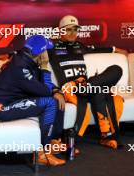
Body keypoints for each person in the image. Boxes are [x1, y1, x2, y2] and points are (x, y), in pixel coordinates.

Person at [0, 35, 66, 166]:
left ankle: (53, 143)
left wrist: (57, 91)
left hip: (13, 101)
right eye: (46, 50)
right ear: (39, 53)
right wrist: (46, 68)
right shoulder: (21, 67)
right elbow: (45, 91)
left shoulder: (26, 60)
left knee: (57, 98)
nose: (47, 53)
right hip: (0, 107)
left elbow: (43, 86)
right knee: (49, 102)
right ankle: (42, 154)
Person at [47, 15, 127, 149]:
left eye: (75, 30)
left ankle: (105, 136)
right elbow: (30, 53)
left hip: (87, 86)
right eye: (68, 30)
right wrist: (9, 56)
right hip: (72, 89)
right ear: (60, 31)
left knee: (116, 69)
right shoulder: (51, 49)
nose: (73, 33)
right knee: (100, 91)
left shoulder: (80, 46)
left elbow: (98, 49)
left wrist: (116, 49)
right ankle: (106, 136)